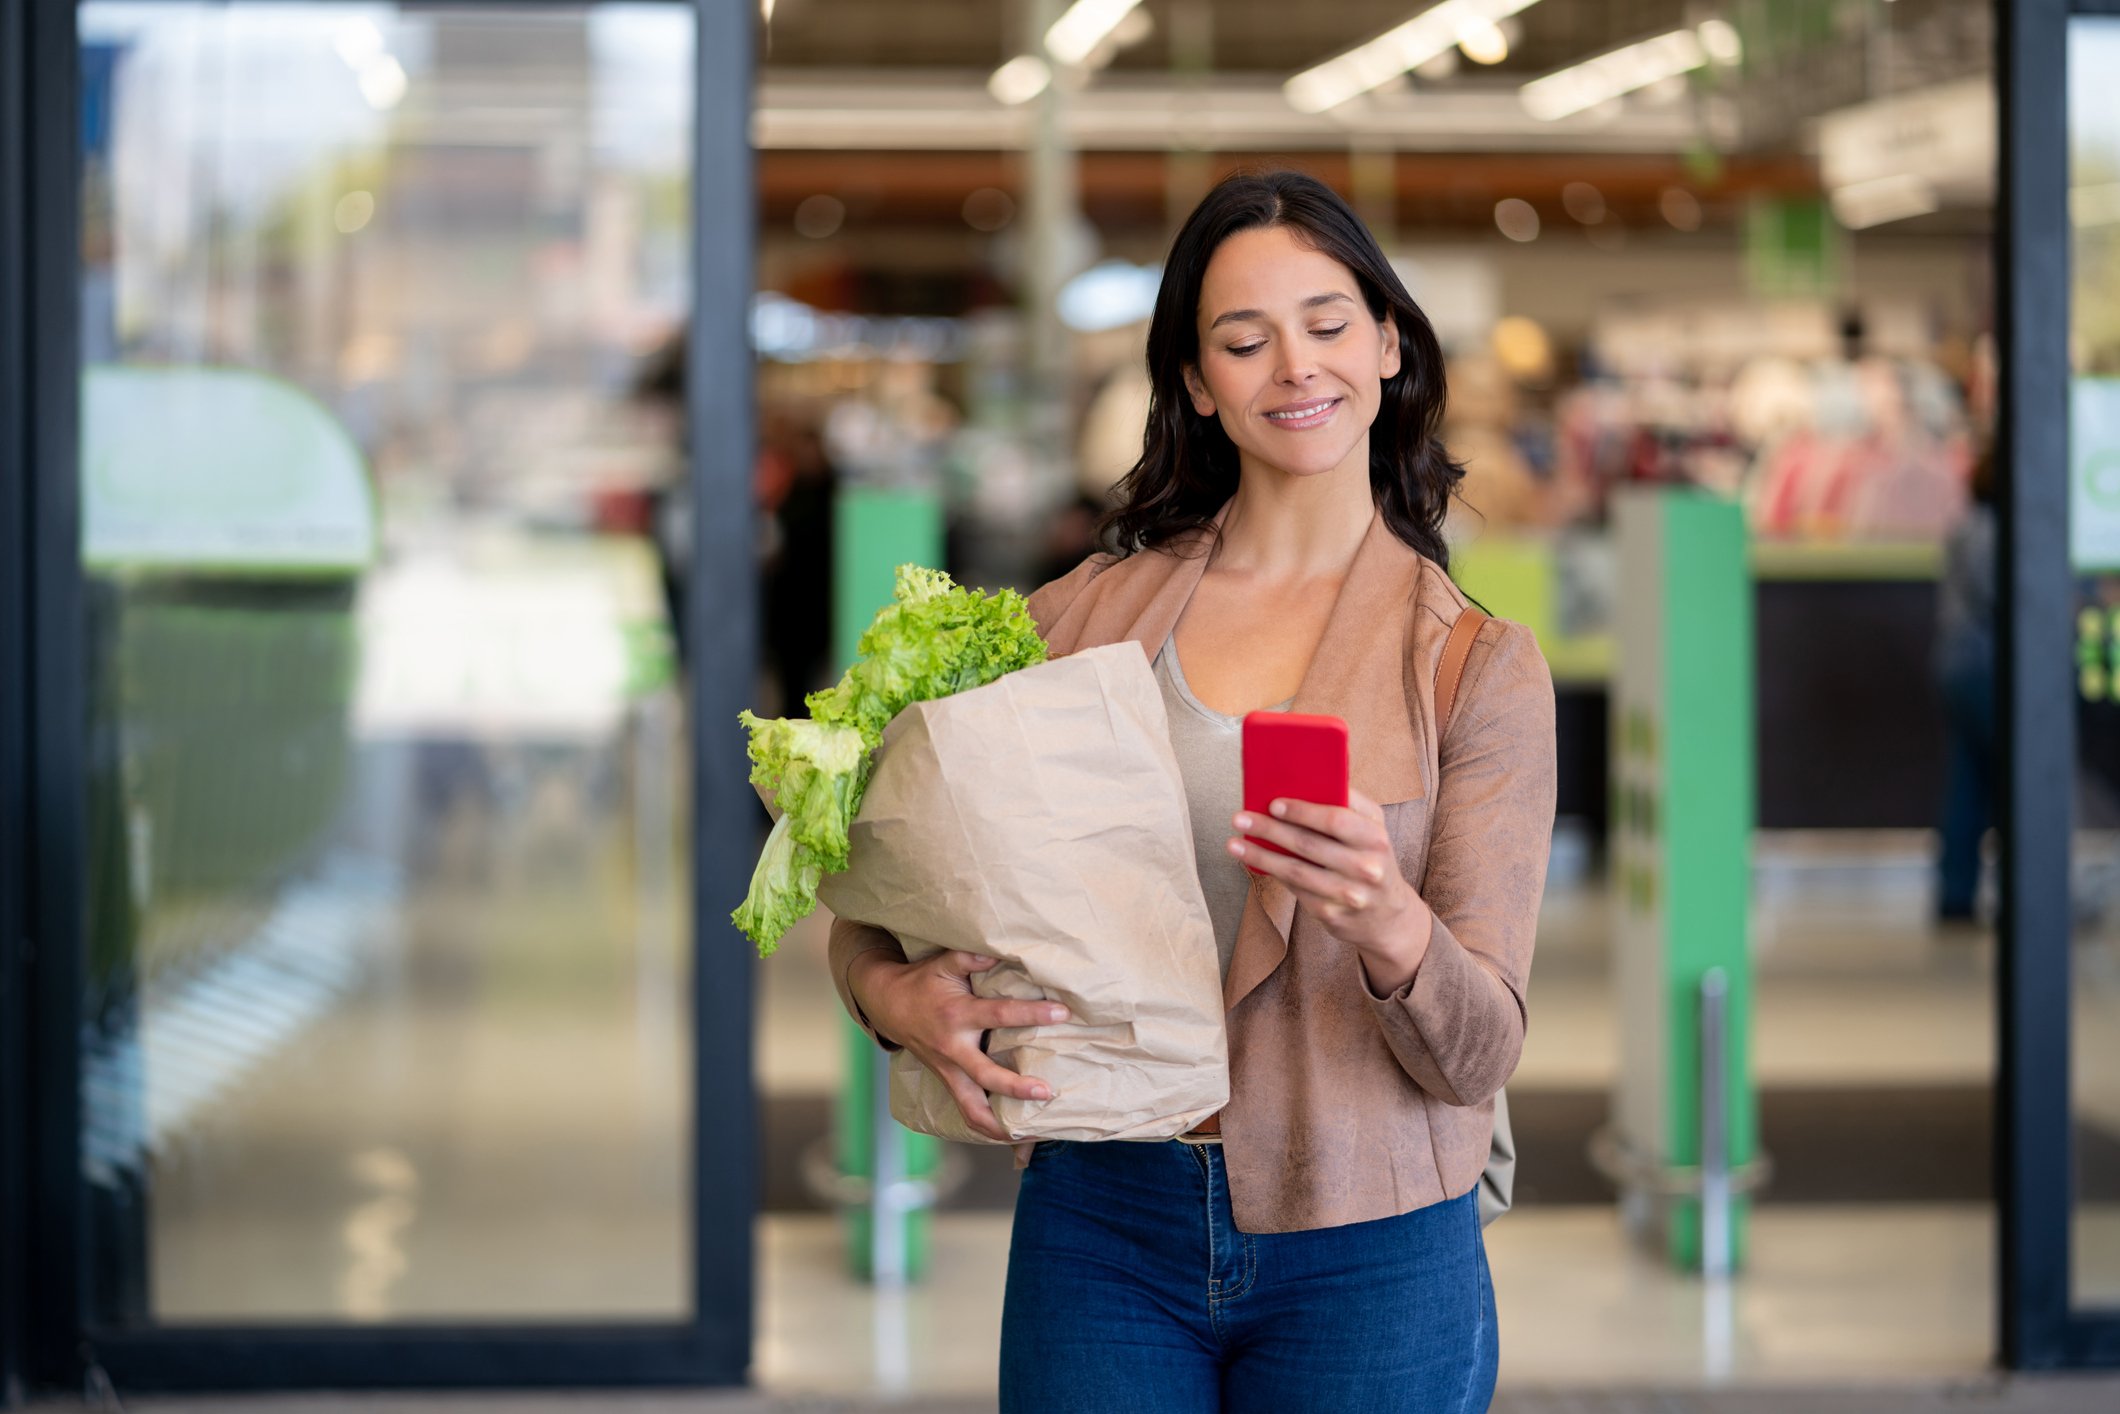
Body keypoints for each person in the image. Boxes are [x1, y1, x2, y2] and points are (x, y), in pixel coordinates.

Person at [828, 170, 1556, 1413]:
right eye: (1242, 338)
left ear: (1386, 345)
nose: (1294, 367)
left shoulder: (1467, 667)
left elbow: (1479, 1047)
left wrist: (1386, 921)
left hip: (1369, 1239)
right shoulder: (1072, 623)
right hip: (1102, 1224)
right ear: (1193, 383)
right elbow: (877, 906)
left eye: (1328, 324)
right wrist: (896, 996)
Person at [1934, 447, 1996, 923]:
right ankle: (2022, 891)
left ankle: (1956, 893)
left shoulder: (1966, 527)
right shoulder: (1996, 532)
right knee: (2016, 781)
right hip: (1990, 668)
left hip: (1957, 666)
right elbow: (2007, 596)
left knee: (1967, 785)